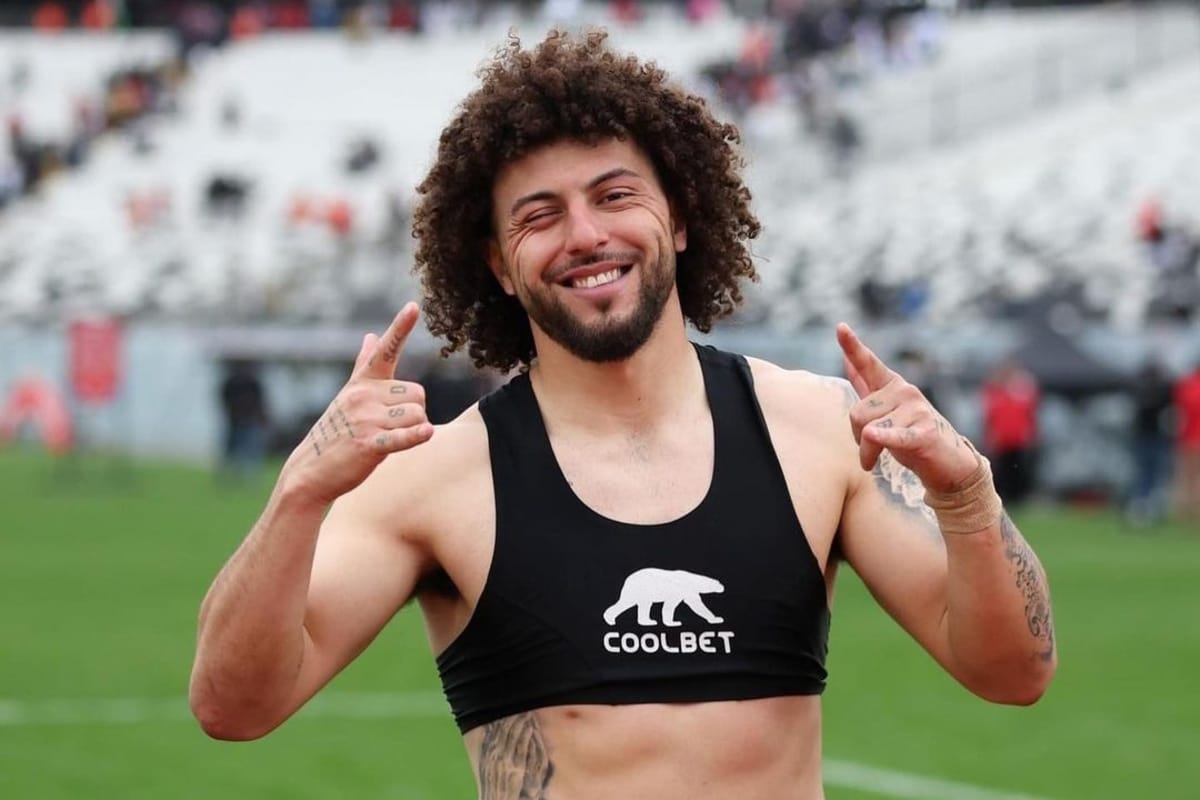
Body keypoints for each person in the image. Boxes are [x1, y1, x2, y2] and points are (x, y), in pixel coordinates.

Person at [188, 30, 1057, 799]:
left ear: (678, 216)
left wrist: (969, 498)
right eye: (541, 215)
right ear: (496, 264)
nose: (585, 236)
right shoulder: (435, 477)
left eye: (614, 196)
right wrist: (299, 493)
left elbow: (1015, 673)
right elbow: (232, 707)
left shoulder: (825, 432)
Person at [981, 356, 1040, 506]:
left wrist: (1030, 434)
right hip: (1002, 439)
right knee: (1002, 470)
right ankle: (1003, 497)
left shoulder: (1021, 389)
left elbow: (1029, 414)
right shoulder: (994, 389)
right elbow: (990, 416)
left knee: (1018, 469)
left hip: (1017, 438)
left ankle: (1018, 497)